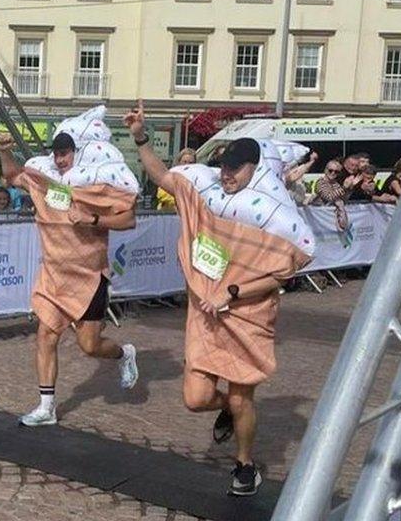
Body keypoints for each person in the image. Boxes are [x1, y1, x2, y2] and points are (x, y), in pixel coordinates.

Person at [124, 101, 314, 497]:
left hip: (246, 316)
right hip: (204, 315)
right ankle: (224, 408)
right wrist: (141, 137)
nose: (226, 175)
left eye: (236, 169)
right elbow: (161, 176)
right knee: (195, 399)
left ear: (254, 168)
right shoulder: (206, 190)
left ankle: (246, 465)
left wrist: (233, 292)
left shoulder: (273, 212)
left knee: (244, 399)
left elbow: (281, 272)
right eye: (224, 167)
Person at [0, 129, 139, 428]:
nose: (61, 159)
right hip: (53, 275)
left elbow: (129, 219)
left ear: (76, 153)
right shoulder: (43, 183)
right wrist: (5, 151)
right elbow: (11, 176)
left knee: (89, 346)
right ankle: (46, 407)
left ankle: (124, 354)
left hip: (88, 277)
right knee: (46, 336)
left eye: (66, 153)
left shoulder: (93, 188)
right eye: (57, 154)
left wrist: (93, 219)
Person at [312, 158, 350, 230]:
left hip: (332, 221)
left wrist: (349, 188)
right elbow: (329, 197)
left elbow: (343, 199)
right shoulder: (320, 182)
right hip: (321, 219)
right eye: (330, 170)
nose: (333, 173)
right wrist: (344, 187)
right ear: (325, 170)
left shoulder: (336, 184)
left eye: (336, 172)